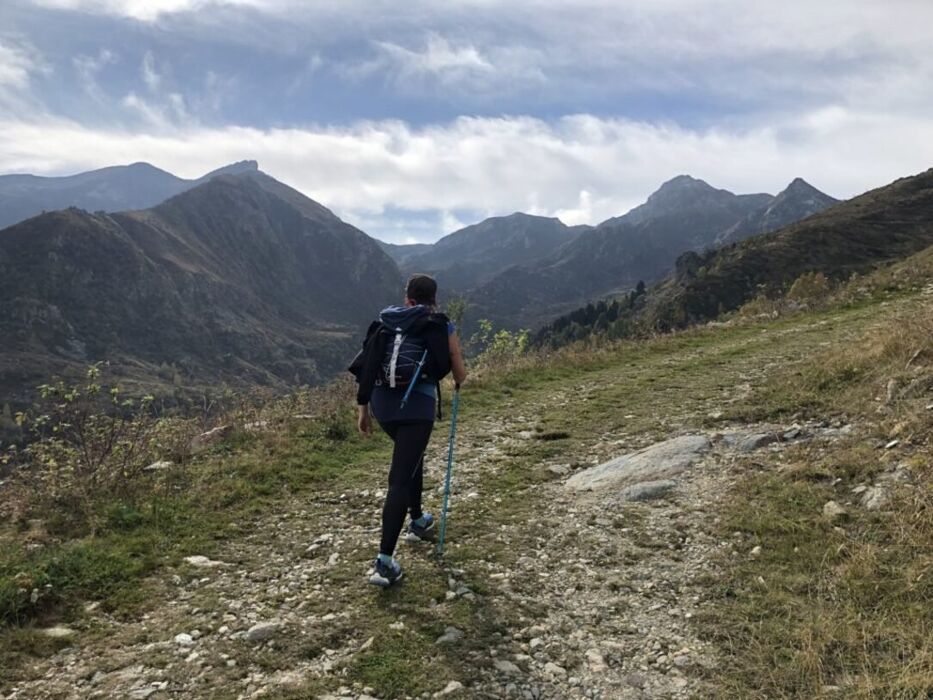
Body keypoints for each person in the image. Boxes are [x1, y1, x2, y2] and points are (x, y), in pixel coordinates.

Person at [353, 274, 467, 587]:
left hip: (382, 407)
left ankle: (417, 519)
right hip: (416, 408)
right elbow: (457, 367)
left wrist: (363, 410)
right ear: (434, 299)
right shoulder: (441, 324)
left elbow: (368, 364)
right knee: (400, 477)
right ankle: (384, 562)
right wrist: (460, 378)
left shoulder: (387, 322)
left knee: (411, 458)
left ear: (408, 299)